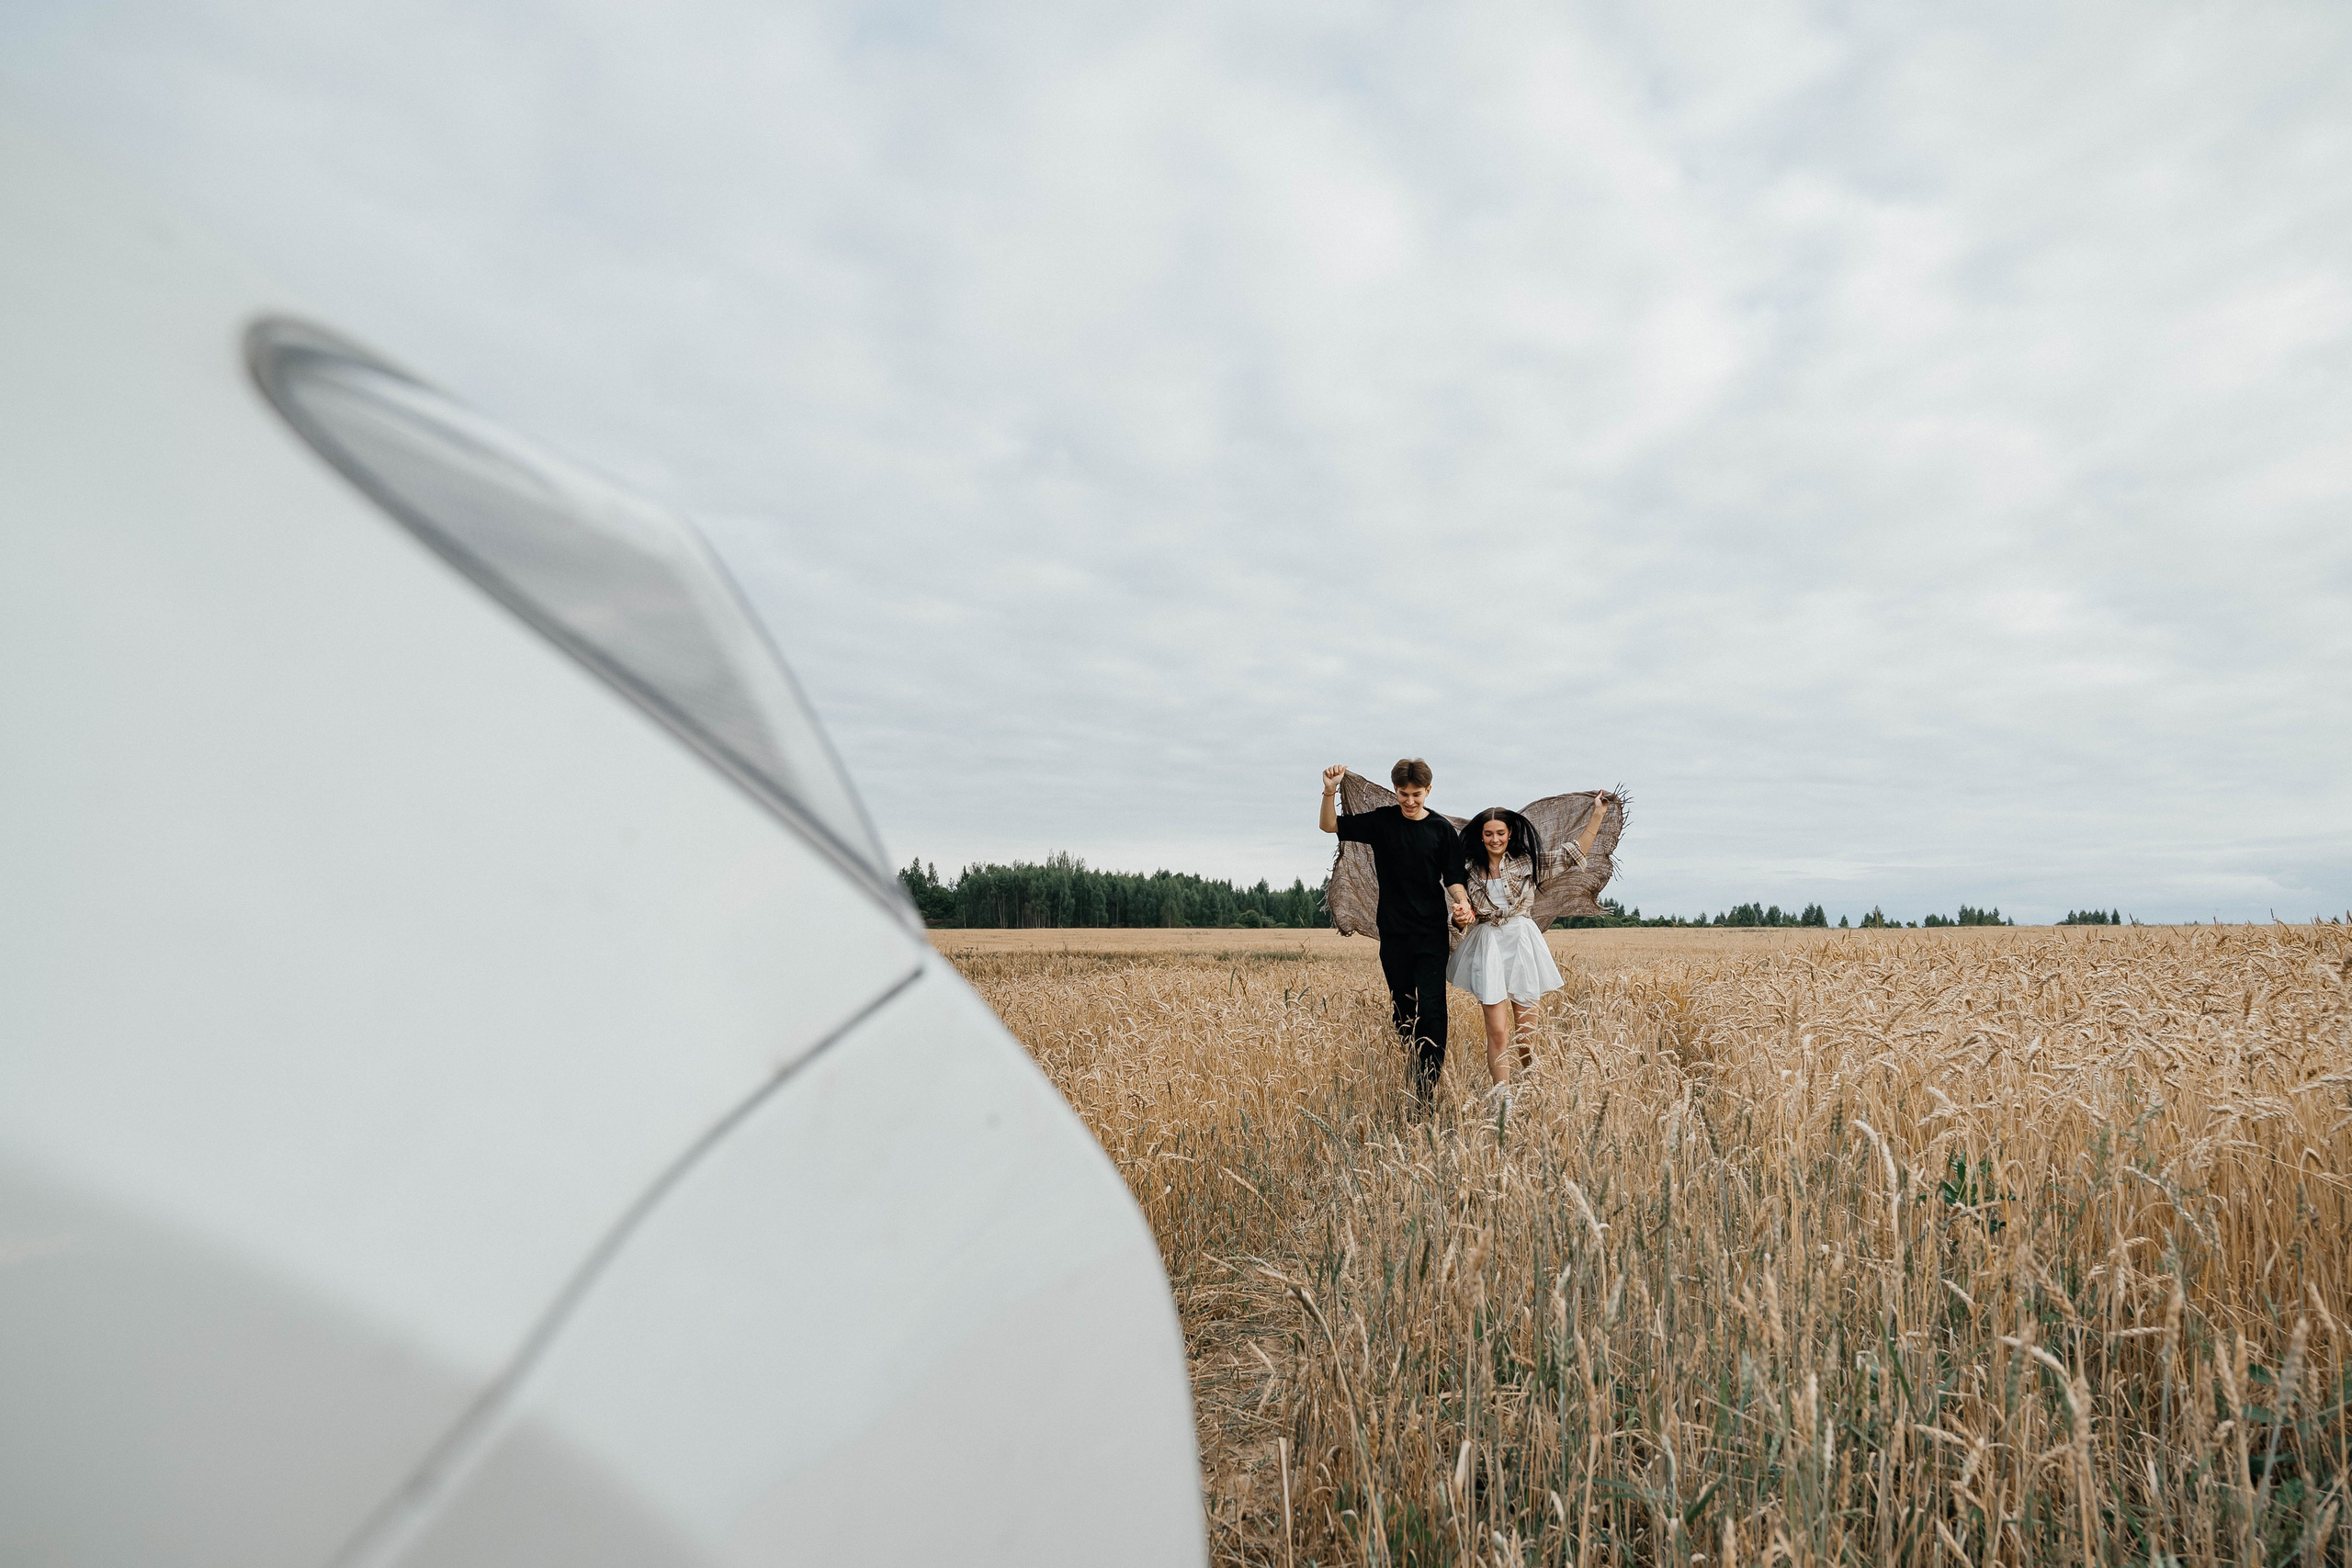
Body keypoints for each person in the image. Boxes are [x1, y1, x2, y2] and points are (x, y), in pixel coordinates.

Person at [1445, 795, 1617, 1117]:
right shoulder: (1467, 871)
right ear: (1480, 836)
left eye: (1500, 833)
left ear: (1510, 833)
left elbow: (1574, 853)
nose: (1495, 839)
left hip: (1522, 943)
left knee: (1526, 1037)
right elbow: (1460, 916)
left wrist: (1597, 814)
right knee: (1498, 1032)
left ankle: (1532, 1085)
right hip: (1488, 945)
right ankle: (1503, 1100)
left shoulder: (1528, 862)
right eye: (1488, 834)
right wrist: (1460, 917)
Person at [1319, 759, 1463, 1103]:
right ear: (1395, 790)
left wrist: (1462, 902)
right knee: (1403, 1010)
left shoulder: (1442, 830)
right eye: (1403, 794)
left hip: (1431, 933)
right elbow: (1329, 825)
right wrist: (1329, 791)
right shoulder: (1382, 822)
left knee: (1433, 1009)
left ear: (1428, 791)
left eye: (1416, 794)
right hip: (1394, 933)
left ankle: (1426, 1089)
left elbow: (1454, 878)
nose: (1410, 801)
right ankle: (1414, 1060)